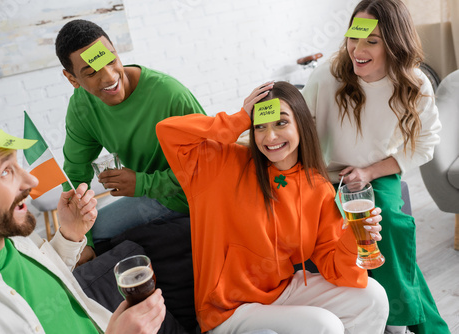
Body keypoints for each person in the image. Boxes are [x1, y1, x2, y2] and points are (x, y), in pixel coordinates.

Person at [156, 81, 389, 334]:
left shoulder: (318, 187)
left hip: (281, 292)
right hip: (228, 309)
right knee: (326, 326)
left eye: (281, 123)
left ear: (301, 123)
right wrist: (238, 119)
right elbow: (168, 131)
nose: (271, 137)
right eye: (260, 127)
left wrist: (352, 237)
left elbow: (335, 268)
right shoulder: (220, 165)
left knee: (373, 297)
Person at [0, 105, 182, 333]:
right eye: (5, 171)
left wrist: (70, 234)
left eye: (18, 165)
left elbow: (47, 278)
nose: (31, 182)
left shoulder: (10, 237)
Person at [301, 1, 449, 333]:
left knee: (392, 226)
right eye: (355, 37)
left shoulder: (415, 84)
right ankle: (422, 325)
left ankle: (395, 322)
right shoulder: (326, 77)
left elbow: (426, 143)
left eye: (372, 40)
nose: (357, 49)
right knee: (360, 234)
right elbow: (301, 129)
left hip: (378, 168)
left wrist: (370, 172)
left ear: (395, 43)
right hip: (324, 175)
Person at [55, 19, 206, 264]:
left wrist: (142, 183)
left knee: (101, 235)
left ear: (115, 50)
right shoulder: (82, 106)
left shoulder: (169, 94)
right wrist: (80, 239)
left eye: (111, 60)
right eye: (91, 72)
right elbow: (74, 174)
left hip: (189, 199)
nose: (109, 77)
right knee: (78, 243)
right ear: (72, 79)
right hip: (151, 195)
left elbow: (210, 167)